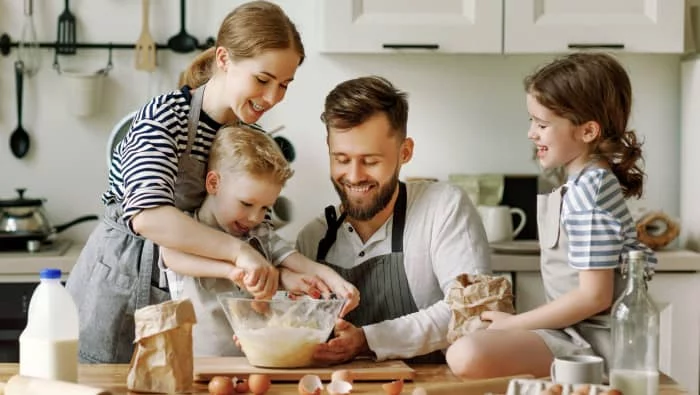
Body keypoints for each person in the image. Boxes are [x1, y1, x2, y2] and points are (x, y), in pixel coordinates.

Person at [66, 0, 306, 363]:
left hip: (190, 298)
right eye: (262, 80)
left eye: (285, 85)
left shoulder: (248, 134)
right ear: (224, 59)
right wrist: (238, 253)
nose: (273, 98)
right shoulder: (165, 116)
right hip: (119, 290)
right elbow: (150, 216)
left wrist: (294, 274)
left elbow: (257, 230)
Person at [445, 52, 658, 379]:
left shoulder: (592, 191)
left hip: (594, 343)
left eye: (542, 124)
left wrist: (513, 325)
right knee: (470, 343)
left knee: (466, 353)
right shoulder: (583, 183)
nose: (532, 133)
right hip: (572, 333)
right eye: (532, 121)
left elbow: (594, 296)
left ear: (587, 131)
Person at [293, 76, 492, 365]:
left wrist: (367, 340)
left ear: (405, 152)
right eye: (341, 159)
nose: (354, 176)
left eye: (370, 161)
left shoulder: (442, 208)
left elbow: (473, 309)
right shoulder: (313, 239)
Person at [158, 125, 359, 357]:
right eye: (246, 203)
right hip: (197, 367)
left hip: (255, 362)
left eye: (265, 208)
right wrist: (231, 271)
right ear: (213, 183)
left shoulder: (259, 233)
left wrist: (336, 283)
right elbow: (170, 255)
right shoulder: (187, 229)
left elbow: (297, 261)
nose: (255, 217)